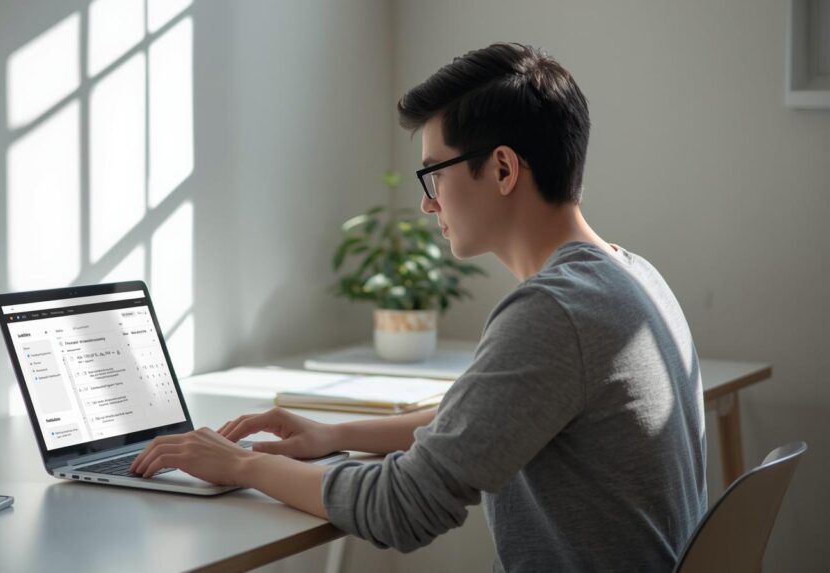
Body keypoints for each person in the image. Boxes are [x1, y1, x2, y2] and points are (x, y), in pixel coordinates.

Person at [128, 43, 707, 572]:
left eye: (433, 173)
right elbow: (483, 424)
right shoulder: (631, 277)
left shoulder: (554, 312)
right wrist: (335, 434)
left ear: (503, 169)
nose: (428, 205)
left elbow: (400, 509)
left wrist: (242, 466)